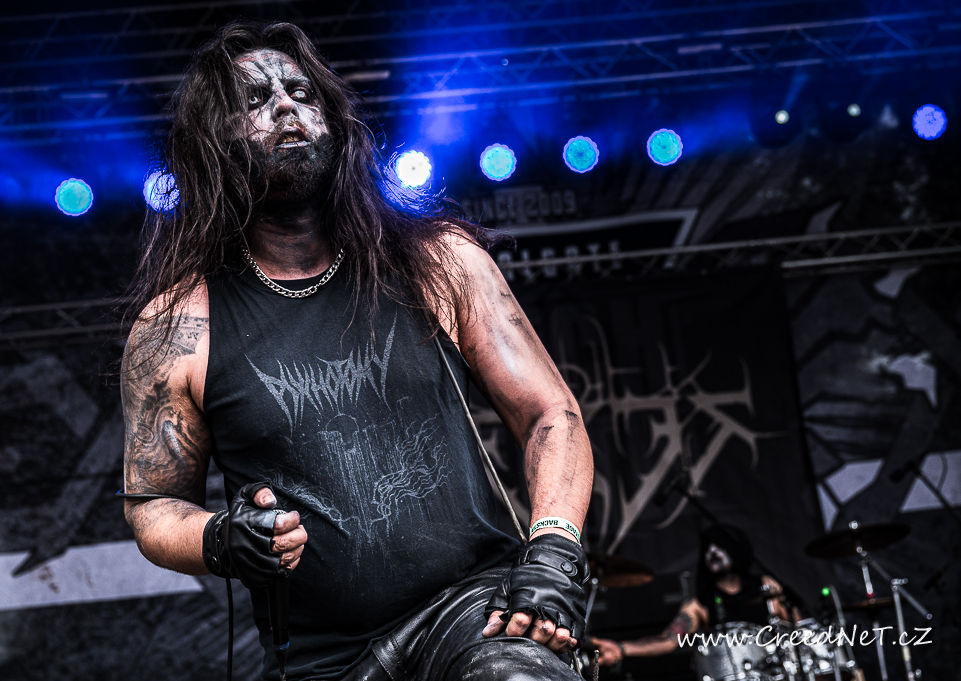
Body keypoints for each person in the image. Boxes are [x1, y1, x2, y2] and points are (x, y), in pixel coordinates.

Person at [119, 19, 595, 681]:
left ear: (336, 124)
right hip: (324, 659)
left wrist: (552, 554)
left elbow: (551, 414)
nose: (285, 106)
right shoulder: (177, 327)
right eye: (255, 100)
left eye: (301, 93)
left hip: (472, 612)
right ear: (212, 144)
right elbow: (151, 506)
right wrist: (221, 537)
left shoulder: (437, 262)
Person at [591, 525, 798, 666]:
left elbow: (801, 631)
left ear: (736, 550)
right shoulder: (700, 604)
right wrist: (621, 648)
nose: (712, 552)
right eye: (708, 548)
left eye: (720, 546)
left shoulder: (767, 588)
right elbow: (668, 640)